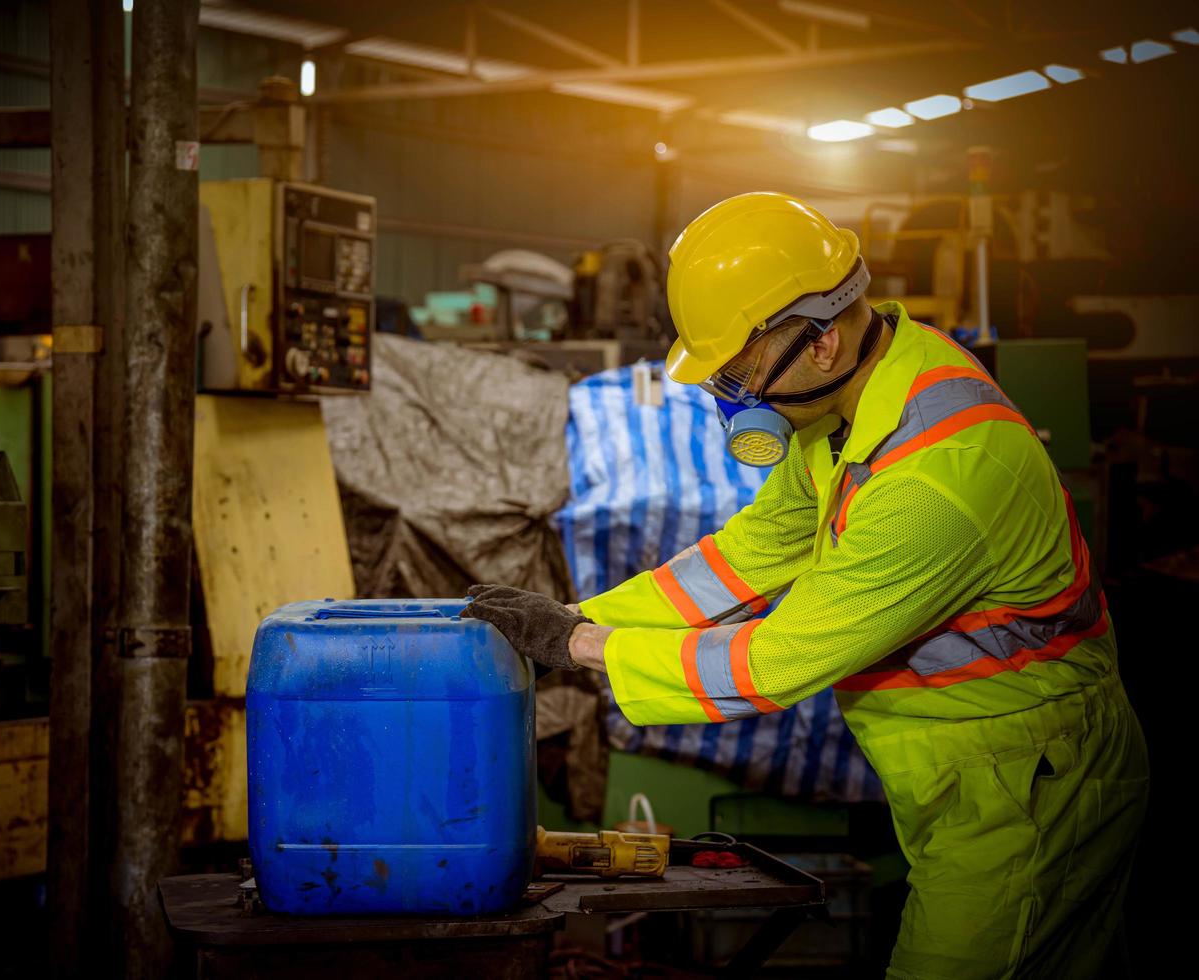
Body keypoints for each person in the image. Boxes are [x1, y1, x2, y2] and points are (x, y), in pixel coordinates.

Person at [463, 192, 1148, 978]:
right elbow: (751, 553)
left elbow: (774, 662)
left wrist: (583, 649)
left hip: (1031, 789)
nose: (728, 395)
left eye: (737, 368)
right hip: (970, 772)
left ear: (820, 342)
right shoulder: (856, 396)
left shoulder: (934, 483)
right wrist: (578, 617)